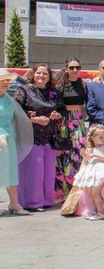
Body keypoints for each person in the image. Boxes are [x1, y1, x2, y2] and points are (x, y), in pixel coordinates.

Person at [14, 64, 66, 211]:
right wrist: (34, 119)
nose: (41, 76)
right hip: (30, 136)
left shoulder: (54, 92)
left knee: (48, 171)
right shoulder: (24, 90)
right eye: (38, 73)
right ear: (33, 74)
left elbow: (62, 109)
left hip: (49, 136)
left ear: (49, 77)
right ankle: (32, 202)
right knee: (33, 171)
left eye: (45, 74)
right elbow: (16, 109)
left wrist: (58, 114)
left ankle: (46, 200)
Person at [0, 68, 33, 216]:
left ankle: (14, 204)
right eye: (3, 79)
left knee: (12, 172)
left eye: (8, 80)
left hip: (9, 138)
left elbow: (18, 117)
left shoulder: (8, 98)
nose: (6, 82)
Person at [54, 56, 88, 198]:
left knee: (78, 155)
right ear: (66, 68)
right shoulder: (59, 84)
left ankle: (76, 191)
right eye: (72, 67)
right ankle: (62, 193)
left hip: (77, 123)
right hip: (62, 123)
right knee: (62, 156)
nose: (75, 70)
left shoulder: (84, 84)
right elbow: (56, 104)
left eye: (77, 67)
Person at [74, 125, 104, 221]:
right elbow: (87, 160)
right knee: (92, 194)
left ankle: (101, 212)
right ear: (93, 138)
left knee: (96, 194)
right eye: (100, 137)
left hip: (100, 171)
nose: (103, 139)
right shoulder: (90, 148)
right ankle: (96, 211)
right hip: (92, 172)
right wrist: (84, 155)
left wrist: (96, 154)